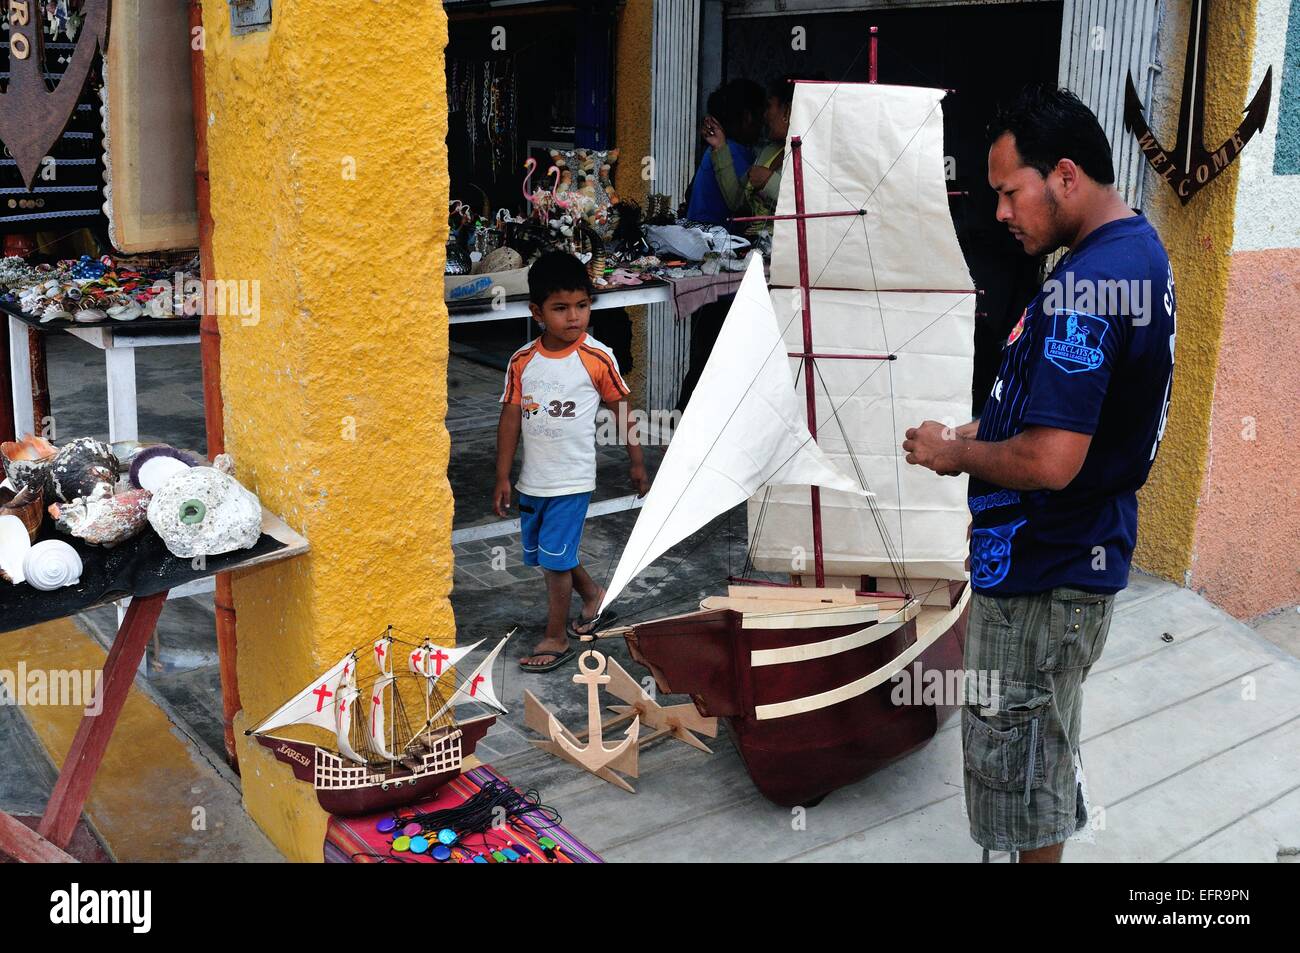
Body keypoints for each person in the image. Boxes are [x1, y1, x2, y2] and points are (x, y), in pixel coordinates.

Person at [902, 85, 1176, 863]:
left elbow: (1054, 458)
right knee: (1038, 749)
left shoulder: (1091, 285)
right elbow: (1063, 415)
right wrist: (979, 437)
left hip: (1048, 572)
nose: (999, 213)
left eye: (1007, 192)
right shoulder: (1129, 252)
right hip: (1059, 557)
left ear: (1063, 175)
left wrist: (959, 455)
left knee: (1018, 763)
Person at [494, 252, 650, 672]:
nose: (574, 317)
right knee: (550, 553)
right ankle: (593, 595)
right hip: (532, 480)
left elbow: (622, 409)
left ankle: (556, 636)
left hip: (572, 480)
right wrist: (502, 475)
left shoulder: (598, 357)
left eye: (582, 306)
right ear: (536, 312)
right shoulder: (522, 361)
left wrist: (637, 461)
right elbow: (510, 417)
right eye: (561, 308)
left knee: (553, 561)